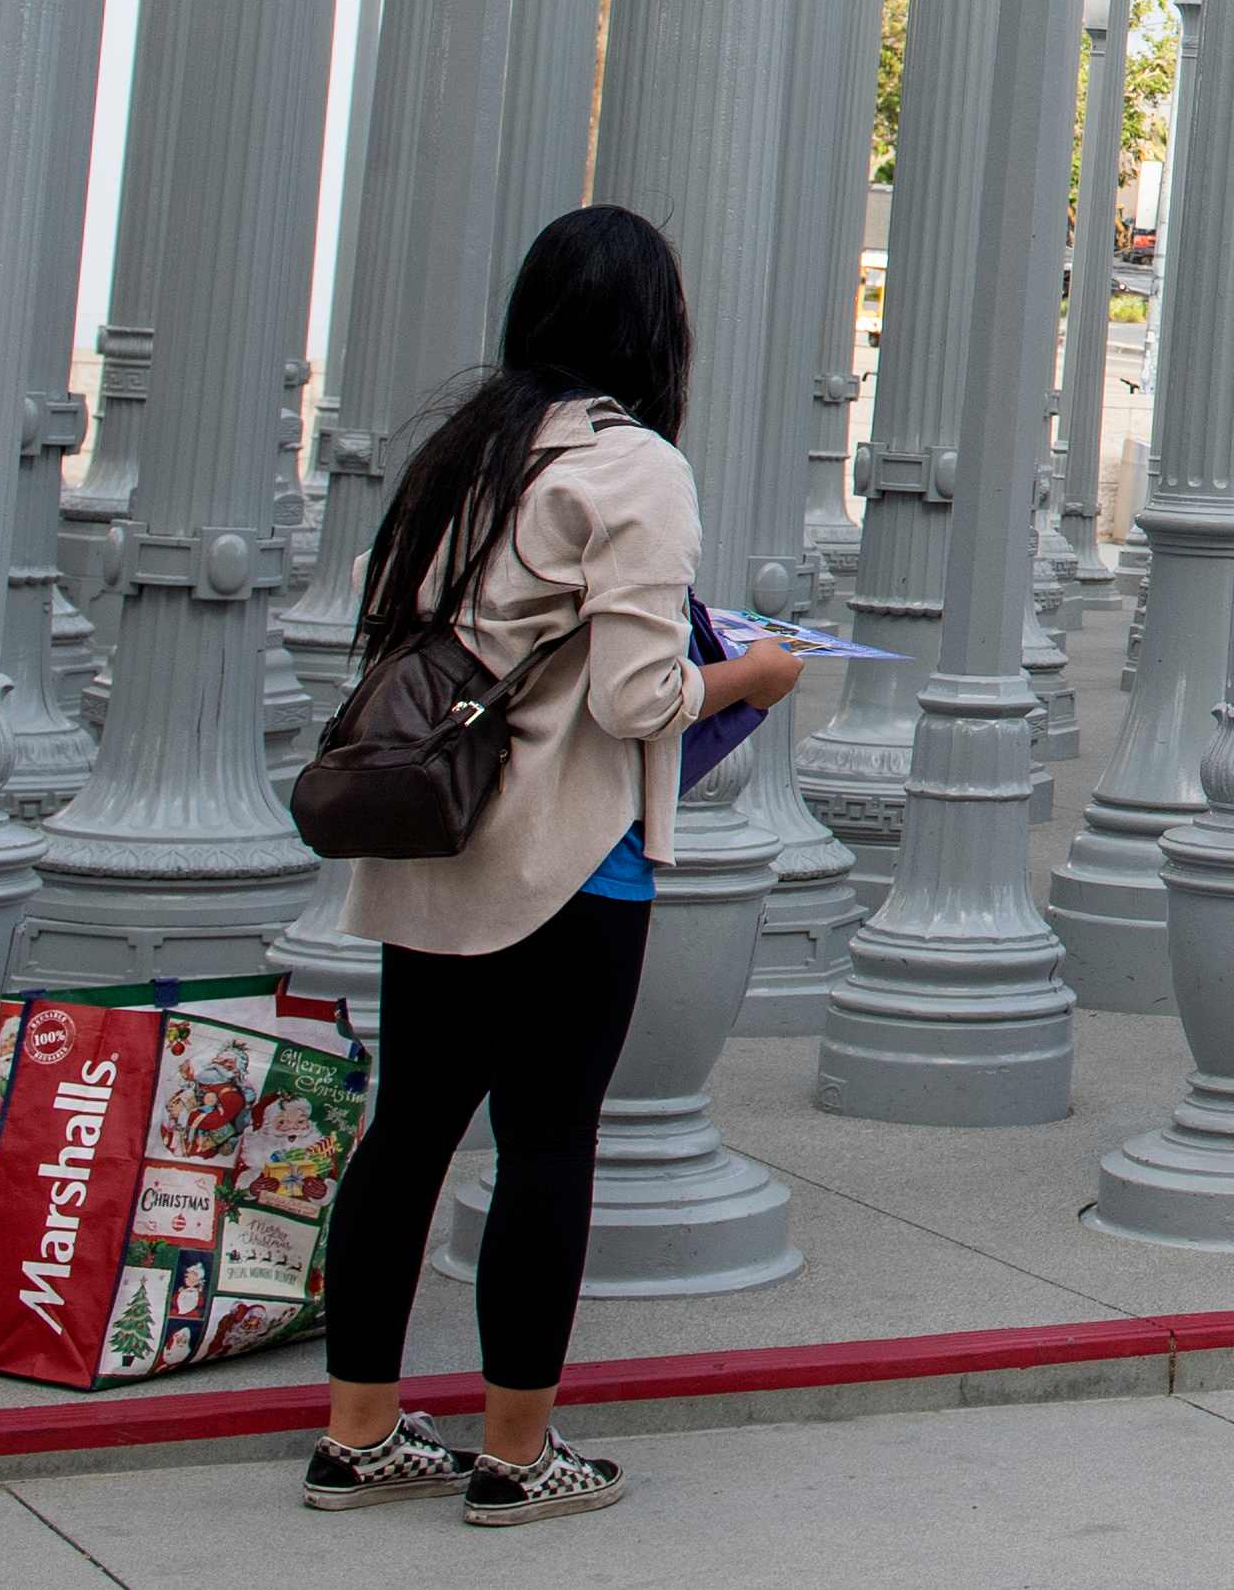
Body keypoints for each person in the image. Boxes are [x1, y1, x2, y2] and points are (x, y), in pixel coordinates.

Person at [303, 207, 805, 1526]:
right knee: (545, 1148)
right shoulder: (631, 467)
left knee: (406, 1133)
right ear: (657, 329)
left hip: (433, 843)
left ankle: (359, 1431)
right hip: (566, 860)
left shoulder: (464, 452)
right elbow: (643, 697)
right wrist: (752, 672)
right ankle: (516, 1450)